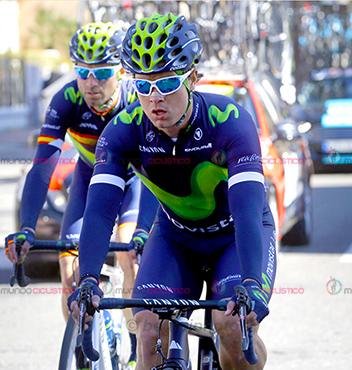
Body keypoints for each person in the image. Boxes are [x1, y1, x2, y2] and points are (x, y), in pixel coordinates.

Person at [68, 13, 277, 370]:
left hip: (234, 236)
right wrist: (87, 277)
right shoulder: (123, 131)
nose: (154, 99)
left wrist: (253, 284)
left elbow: (246, 213)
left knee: (231, 325)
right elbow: (101, 212)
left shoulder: (230, 121)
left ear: (193, 78)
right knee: (148, 327)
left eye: (166, 84)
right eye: (143, 86)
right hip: (175, 238)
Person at [5, 21, 144, 370]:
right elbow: (42, 166)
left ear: (122, 71)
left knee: (130, 254)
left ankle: (132, 339)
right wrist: (27, 227)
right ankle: (81, 346)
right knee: (69, 266)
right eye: (82, 71)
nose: (90, 83)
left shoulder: (137, 100)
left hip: (134, 182)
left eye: (101, 73)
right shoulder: (66, 100)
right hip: (89, 180)